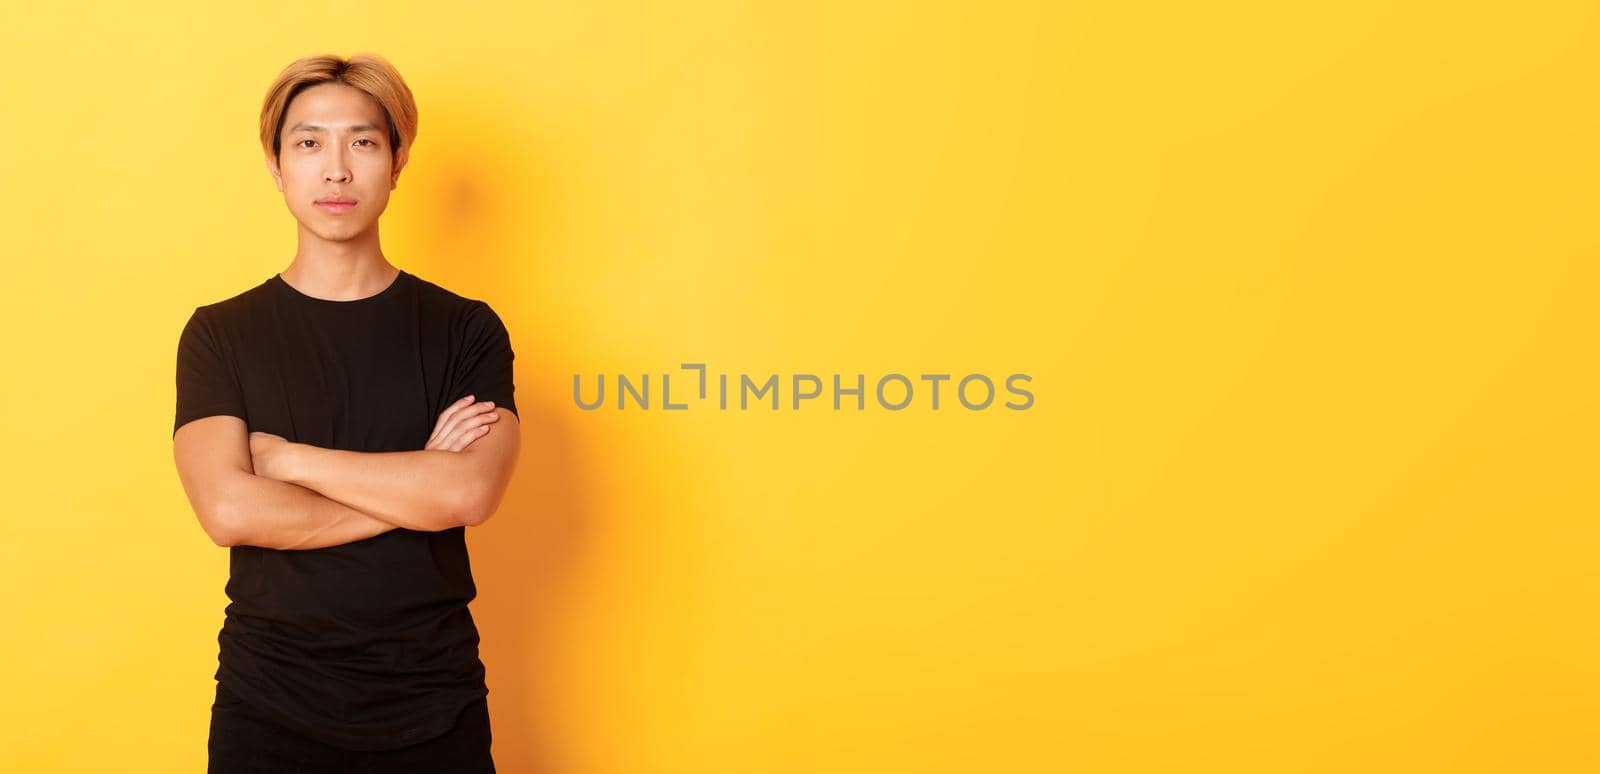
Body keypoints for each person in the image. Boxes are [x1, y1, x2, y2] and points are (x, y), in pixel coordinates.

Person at [171, 52, 518, 773]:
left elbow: (470, 492)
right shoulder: (220, 333)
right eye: (308, 143)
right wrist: (417, 491)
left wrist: (293, 462)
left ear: (396, 163)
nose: (336, 169)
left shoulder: (466, 329)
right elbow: (230, 513)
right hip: (268, 703)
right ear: (275, 165)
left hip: (434, 700)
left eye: (362, 142)